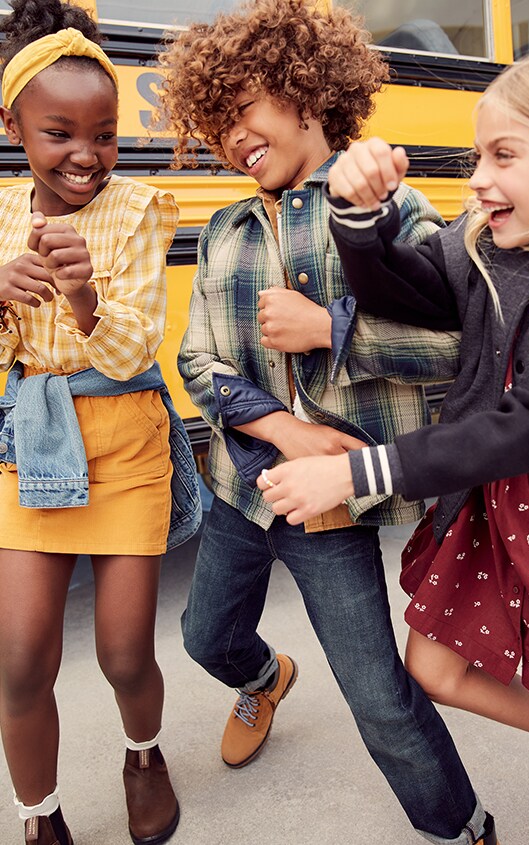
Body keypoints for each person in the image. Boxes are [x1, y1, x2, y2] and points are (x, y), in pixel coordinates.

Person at [258, 46, 529, 845]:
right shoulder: (487, 249)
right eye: (477, 156)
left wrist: (354, 474)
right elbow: (402, 293)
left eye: (504, 155)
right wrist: (360, 222)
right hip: (482, 504)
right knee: (433, 670)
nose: (476, 179)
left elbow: (524, 427)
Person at [157, 1, 498, 842]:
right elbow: (197, 363)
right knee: (204, 637)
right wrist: (285, 430)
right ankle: (266, 677)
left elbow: (463, 346)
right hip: (246, 486)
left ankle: (460, 825)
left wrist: (331, 330)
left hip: (334, 508)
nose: (232, 139)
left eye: (243, 112)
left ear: (306, 92)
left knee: (381, 698)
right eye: (215, 125)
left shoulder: (386, 206)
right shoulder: (223, 231)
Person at [0, 1, 198, 842]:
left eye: (105, 133)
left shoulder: (141, 209)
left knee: (123, 652)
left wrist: (82, 293)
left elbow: (131, 351)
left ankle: (144, 753)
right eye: (59, 133)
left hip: (124, 441)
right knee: (19, 662)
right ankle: (39, 817)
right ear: (12, 126)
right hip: (31, 440)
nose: (86, 154)